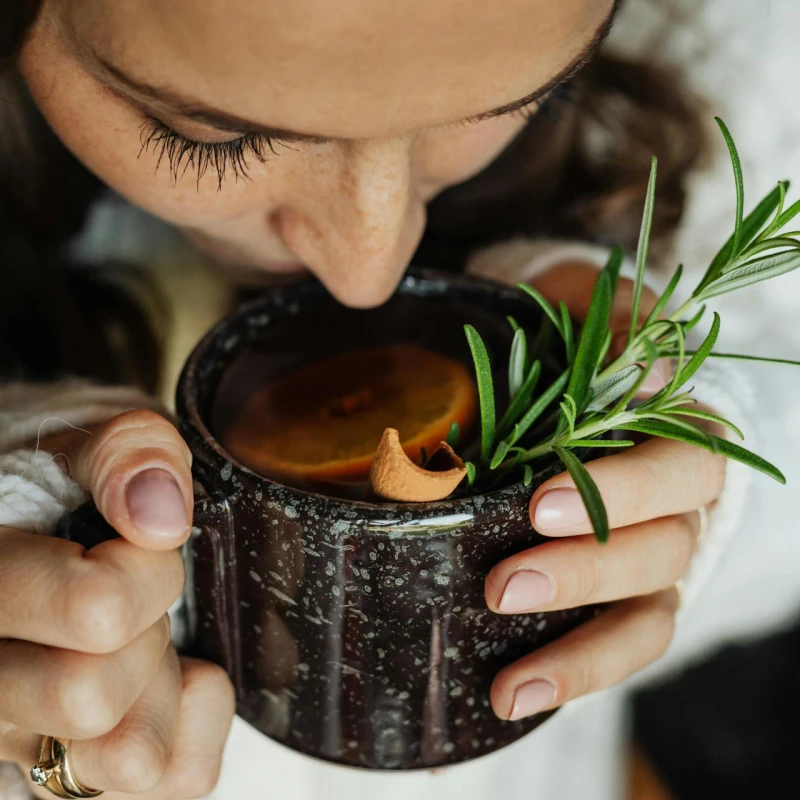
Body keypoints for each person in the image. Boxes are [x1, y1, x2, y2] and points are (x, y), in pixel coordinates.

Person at [1, 0, 798, 798]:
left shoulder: (730, 47)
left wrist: (688, 498)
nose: (370, 265)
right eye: (218, 138)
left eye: (524, 97)